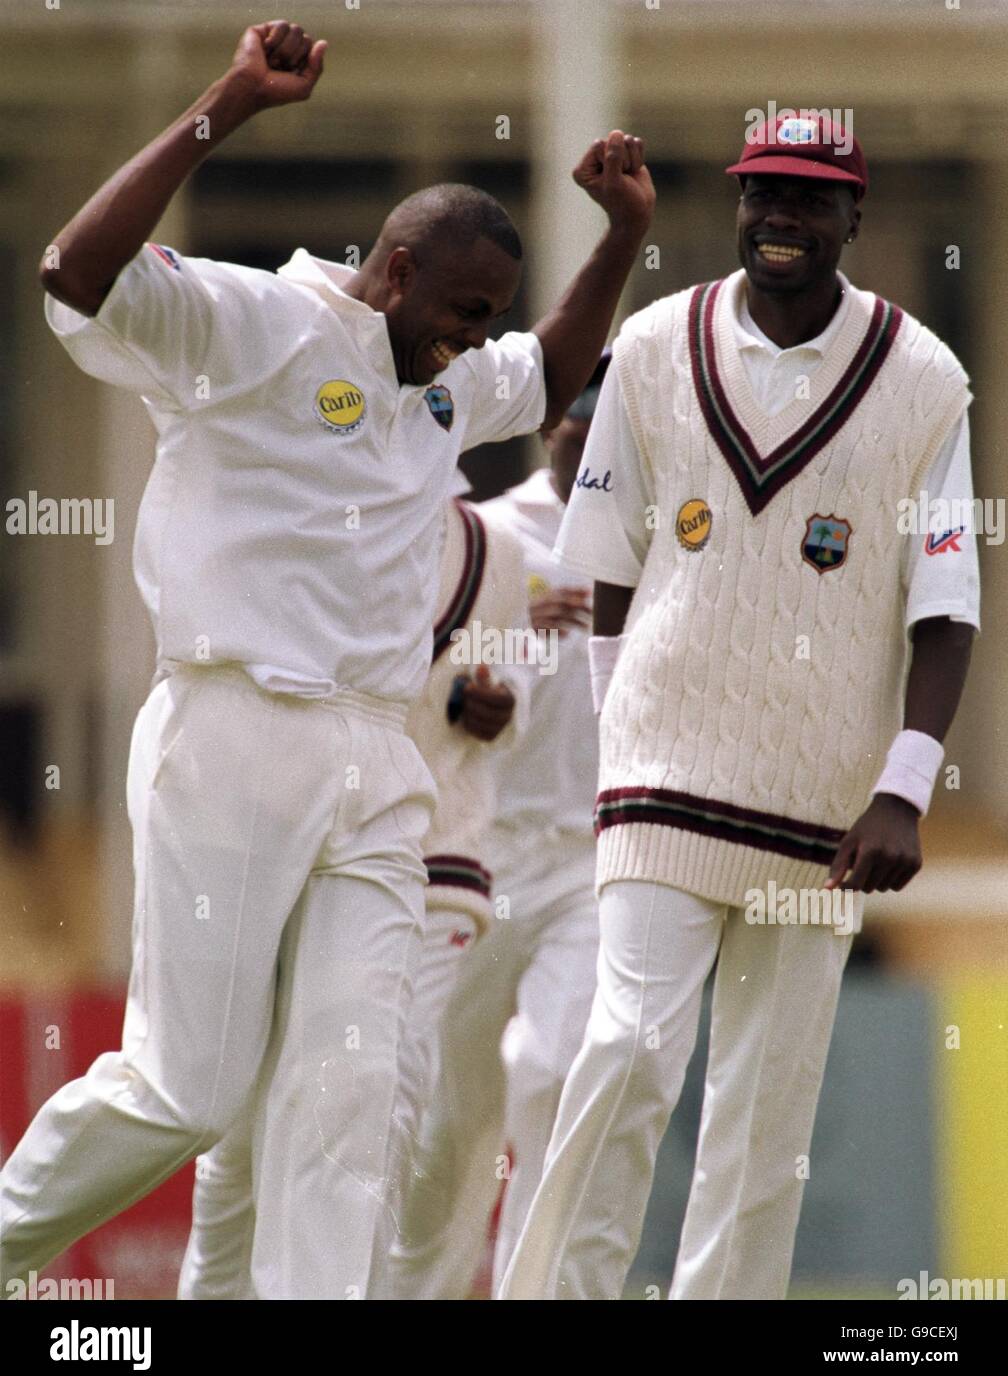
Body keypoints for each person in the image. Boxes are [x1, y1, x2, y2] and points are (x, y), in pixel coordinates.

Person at [0, 19, 655, 1299]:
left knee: (349, 1088)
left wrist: (624, 236)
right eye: (462, 313)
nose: (473, 342)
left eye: (487, 323)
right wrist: (228, 105)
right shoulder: (257, 324)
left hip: (377, 755)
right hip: (235, 728)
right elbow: (74, 272)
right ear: (395, 269)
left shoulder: (448, 388)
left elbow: (555, 365)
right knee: (191, 1088)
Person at [498, 113, 978, 1301]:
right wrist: (622, 731)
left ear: (853, 216)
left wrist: (903, 790)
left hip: (820, 813)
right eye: (763, 193)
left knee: (765, 1118)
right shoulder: (657, 344)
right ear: (738, 202)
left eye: (811, 199)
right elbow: (598, 555)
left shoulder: (924, 381)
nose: (781, 218)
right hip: (661, 777)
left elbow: (948, 599)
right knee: (621, 1058)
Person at [177, 494, 529, 1299]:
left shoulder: (495, 548)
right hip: (290, 844)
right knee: (241, 1120)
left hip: (434, 847)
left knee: (385, 1088)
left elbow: (514, 690)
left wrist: (496, 708)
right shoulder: (307, 511)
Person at [382, 359, 608, 1300]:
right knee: (450, 1123)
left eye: (604, 433)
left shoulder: (663, 542)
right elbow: (457, 693)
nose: (586, 443)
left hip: (596, 861)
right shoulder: (493, 536)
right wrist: (517, 639)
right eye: (573, 424)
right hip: (486, 851)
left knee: (553, 1073)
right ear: (549, 428)